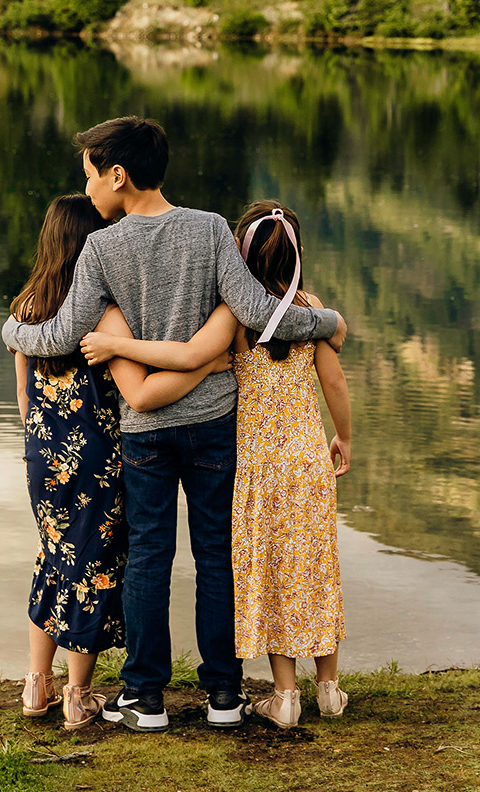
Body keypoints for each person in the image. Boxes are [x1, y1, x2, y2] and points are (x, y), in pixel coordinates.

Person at [0, 117, 346, 733]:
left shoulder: (102, 249)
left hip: (143, 429)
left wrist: (11, 332)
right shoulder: (212, 229)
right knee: (216, 554)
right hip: (213, 420)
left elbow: (60, 335)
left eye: (90, 176)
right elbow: (263, 314)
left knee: (149, 558)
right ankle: (223, 697)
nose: (88, 190)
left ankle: (146, 698)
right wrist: (327, 322)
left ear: (118, 175)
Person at [82, 200, 353, 730]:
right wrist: (342, 431)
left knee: (167, 557)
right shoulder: (296, 305)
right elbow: (334, 381)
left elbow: (179, 359)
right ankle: (236, 693)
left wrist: (119, 348)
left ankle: (157, 693)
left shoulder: (228, 312)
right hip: (264, 446)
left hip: (224, 453)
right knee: (238, 559)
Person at [10, 194, 228, 731]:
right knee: (95, 566)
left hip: (43, 455)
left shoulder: (25, 309)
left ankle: (38, 685)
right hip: (97, 458)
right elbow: (137, 393)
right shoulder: (104, 313)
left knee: (54, 557)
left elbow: (23, 397)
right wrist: (211, 364)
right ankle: (77, 692)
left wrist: (44, 439)